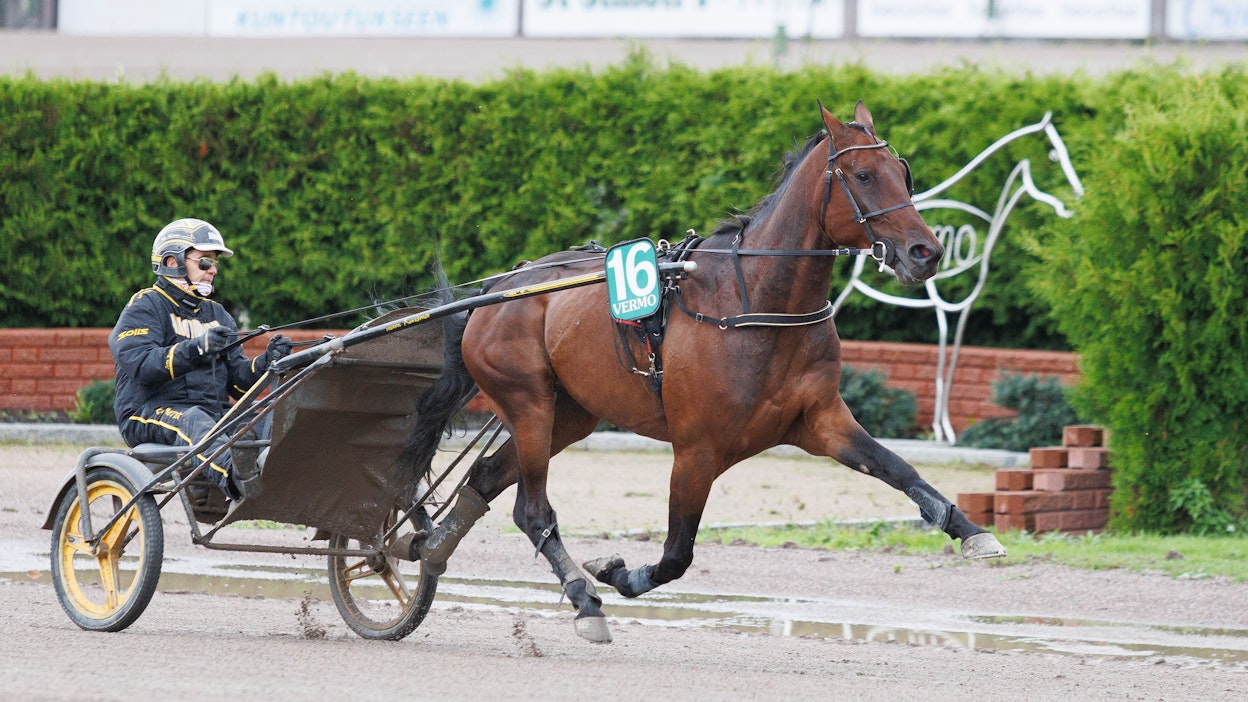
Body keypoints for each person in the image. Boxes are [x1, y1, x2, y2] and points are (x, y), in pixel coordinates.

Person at [109, 218, 291, 500]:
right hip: (147, 411)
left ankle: (281, 480)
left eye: (214, 263)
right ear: (172, 261)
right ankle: (237, 481)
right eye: (204, 262)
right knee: (193, 419)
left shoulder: (218, 315)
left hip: (211, 414)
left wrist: (266, 361)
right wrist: (196, 348)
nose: (213, 269)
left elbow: (238, 386)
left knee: (264, 418)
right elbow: (140, 365)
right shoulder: (145, 305)